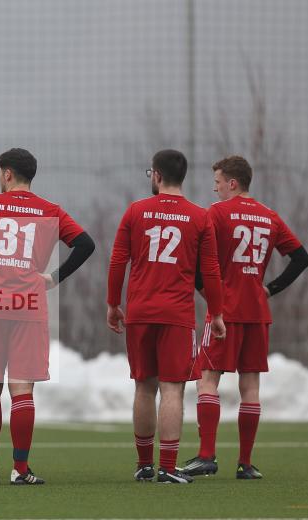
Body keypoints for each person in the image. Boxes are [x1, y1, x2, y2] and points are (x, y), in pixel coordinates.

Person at [0, 148, 95, 485]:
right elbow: (85, 244)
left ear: (7, 174)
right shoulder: (50, 210)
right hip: (30, 305)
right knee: (23, 390)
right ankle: (21, 470)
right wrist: (53, 278)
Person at [180, 155, 308, 480]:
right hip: (257, 311)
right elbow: (301, 258)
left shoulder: (217, 214)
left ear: (233, 183)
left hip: (224, 310)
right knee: (250, 385)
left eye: (218, 183)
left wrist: (206, 292)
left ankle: (207, 456)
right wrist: (269, 289)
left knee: (207, 379)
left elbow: (197, 260)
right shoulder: (270, 217)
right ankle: (246, 463)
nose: (216, 190)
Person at [107, 149, 226, 484]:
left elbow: (118, 261)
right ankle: (168, 467)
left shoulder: (135, 211)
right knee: (172, 389)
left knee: (144, 387)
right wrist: (216, 313)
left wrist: (112, 303)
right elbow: (212, 272)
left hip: (141, 312)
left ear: (157, 175)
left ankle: (144, 465)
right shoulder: (200, 217)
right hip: (177, 315)